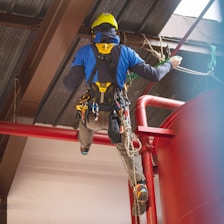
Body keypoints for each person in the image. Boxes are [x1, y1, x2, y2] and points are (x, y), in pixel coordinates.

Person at [63, 12, 181, 216]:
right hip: (117, 119)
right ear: (115, 32)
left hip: (93, 117)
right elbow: (153, 74)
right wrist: (170, 63)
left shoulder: (84, 52)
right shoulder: (126, 52)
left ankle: (84, 146)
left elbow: (68, 84)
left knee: (82, 122)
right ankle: (139, 185)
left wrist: (78, 65)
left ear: (94, 33)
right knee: (127, 152)